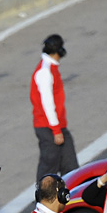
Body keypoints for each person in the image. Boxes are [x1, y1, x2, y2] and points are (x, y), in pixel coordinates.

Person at [29, 34, 77, 180]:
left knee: (70, 165)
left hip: (57, 125)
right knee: (49, 165)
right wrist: (56, 130)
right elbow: (47, 103)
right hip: (48, 127)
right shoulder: (45, 71)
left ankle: (72, 194)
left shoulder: (50, 68)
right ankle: (42, 197)